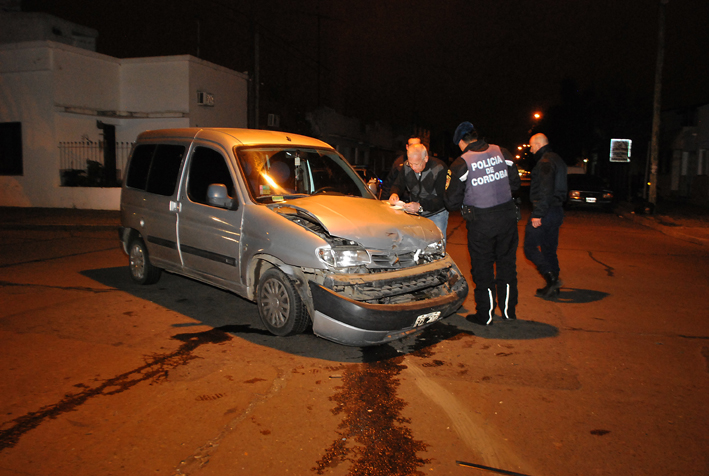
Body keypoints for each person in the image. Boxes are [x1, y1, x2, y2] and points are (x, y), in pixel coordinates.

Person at [444, 121, 521, 325]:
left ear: (461, 142)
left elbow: (451, 201)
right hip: (507, 218)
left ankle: (485, 315)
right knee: (506, 265)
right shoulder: (502, 152)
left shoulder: (462, 163)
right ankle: (508, 311)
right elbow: (515, 183)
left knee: (482, 268)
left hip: (481, 222)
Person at [524, 133, 568, 297]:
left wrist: (538, 214)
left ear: (538, 144)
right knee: (549, 249)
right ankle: (553, 287)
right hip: (557, 210)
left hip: (545, 211)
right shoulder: (557, 159)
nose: (531, 149)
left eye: (531, 146)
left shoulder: (545, 162)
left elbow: (545, 190)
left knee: (530, 248)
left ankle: (551, 279)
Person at [388, 143, 449, 237]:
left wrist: (420, 206)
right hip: (415, 214)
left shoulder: (440, 168)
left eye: (416, 164)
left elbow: (442, 198)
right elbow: (398, 184)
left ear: (426, 159)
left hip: (436, 214)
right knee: (416, 245)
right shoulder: (406, 166)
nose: (413, 167)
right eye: (410, 163)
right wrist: (394, 193)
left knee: (436, 245)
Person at [381, 136, 421, 200]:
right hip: (402, 202)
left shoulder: (429, 164)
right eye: (412, 145)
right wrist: (384, 200)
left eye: (417, 145)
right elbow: (390, 183)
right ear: (407, 147)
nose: (414, 148)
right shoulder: (399, 163)